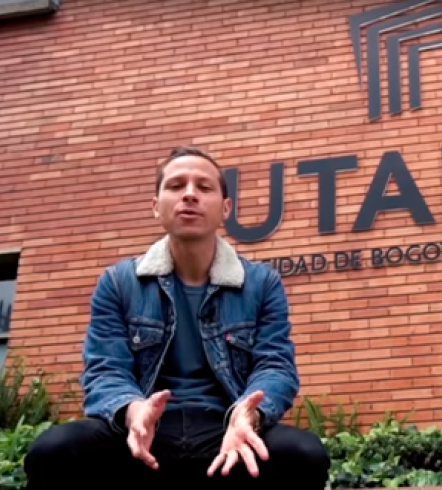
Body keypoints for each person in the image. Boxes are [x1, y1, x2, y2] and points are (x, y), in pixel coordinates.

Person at [24, 146, 330, 489]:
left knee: (303, 454)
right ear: (156, 206)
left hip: (226, 431)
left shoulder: (261, 283)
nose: (189, 194)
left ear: (225, 209)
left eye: (204, 187)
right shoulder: (119, 283)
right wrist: (133, 410)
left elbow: (275, 365)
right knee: (55, 451)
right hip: (143, 434)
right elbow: (105, 369)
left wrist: (249, 415)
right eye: (176, 185)